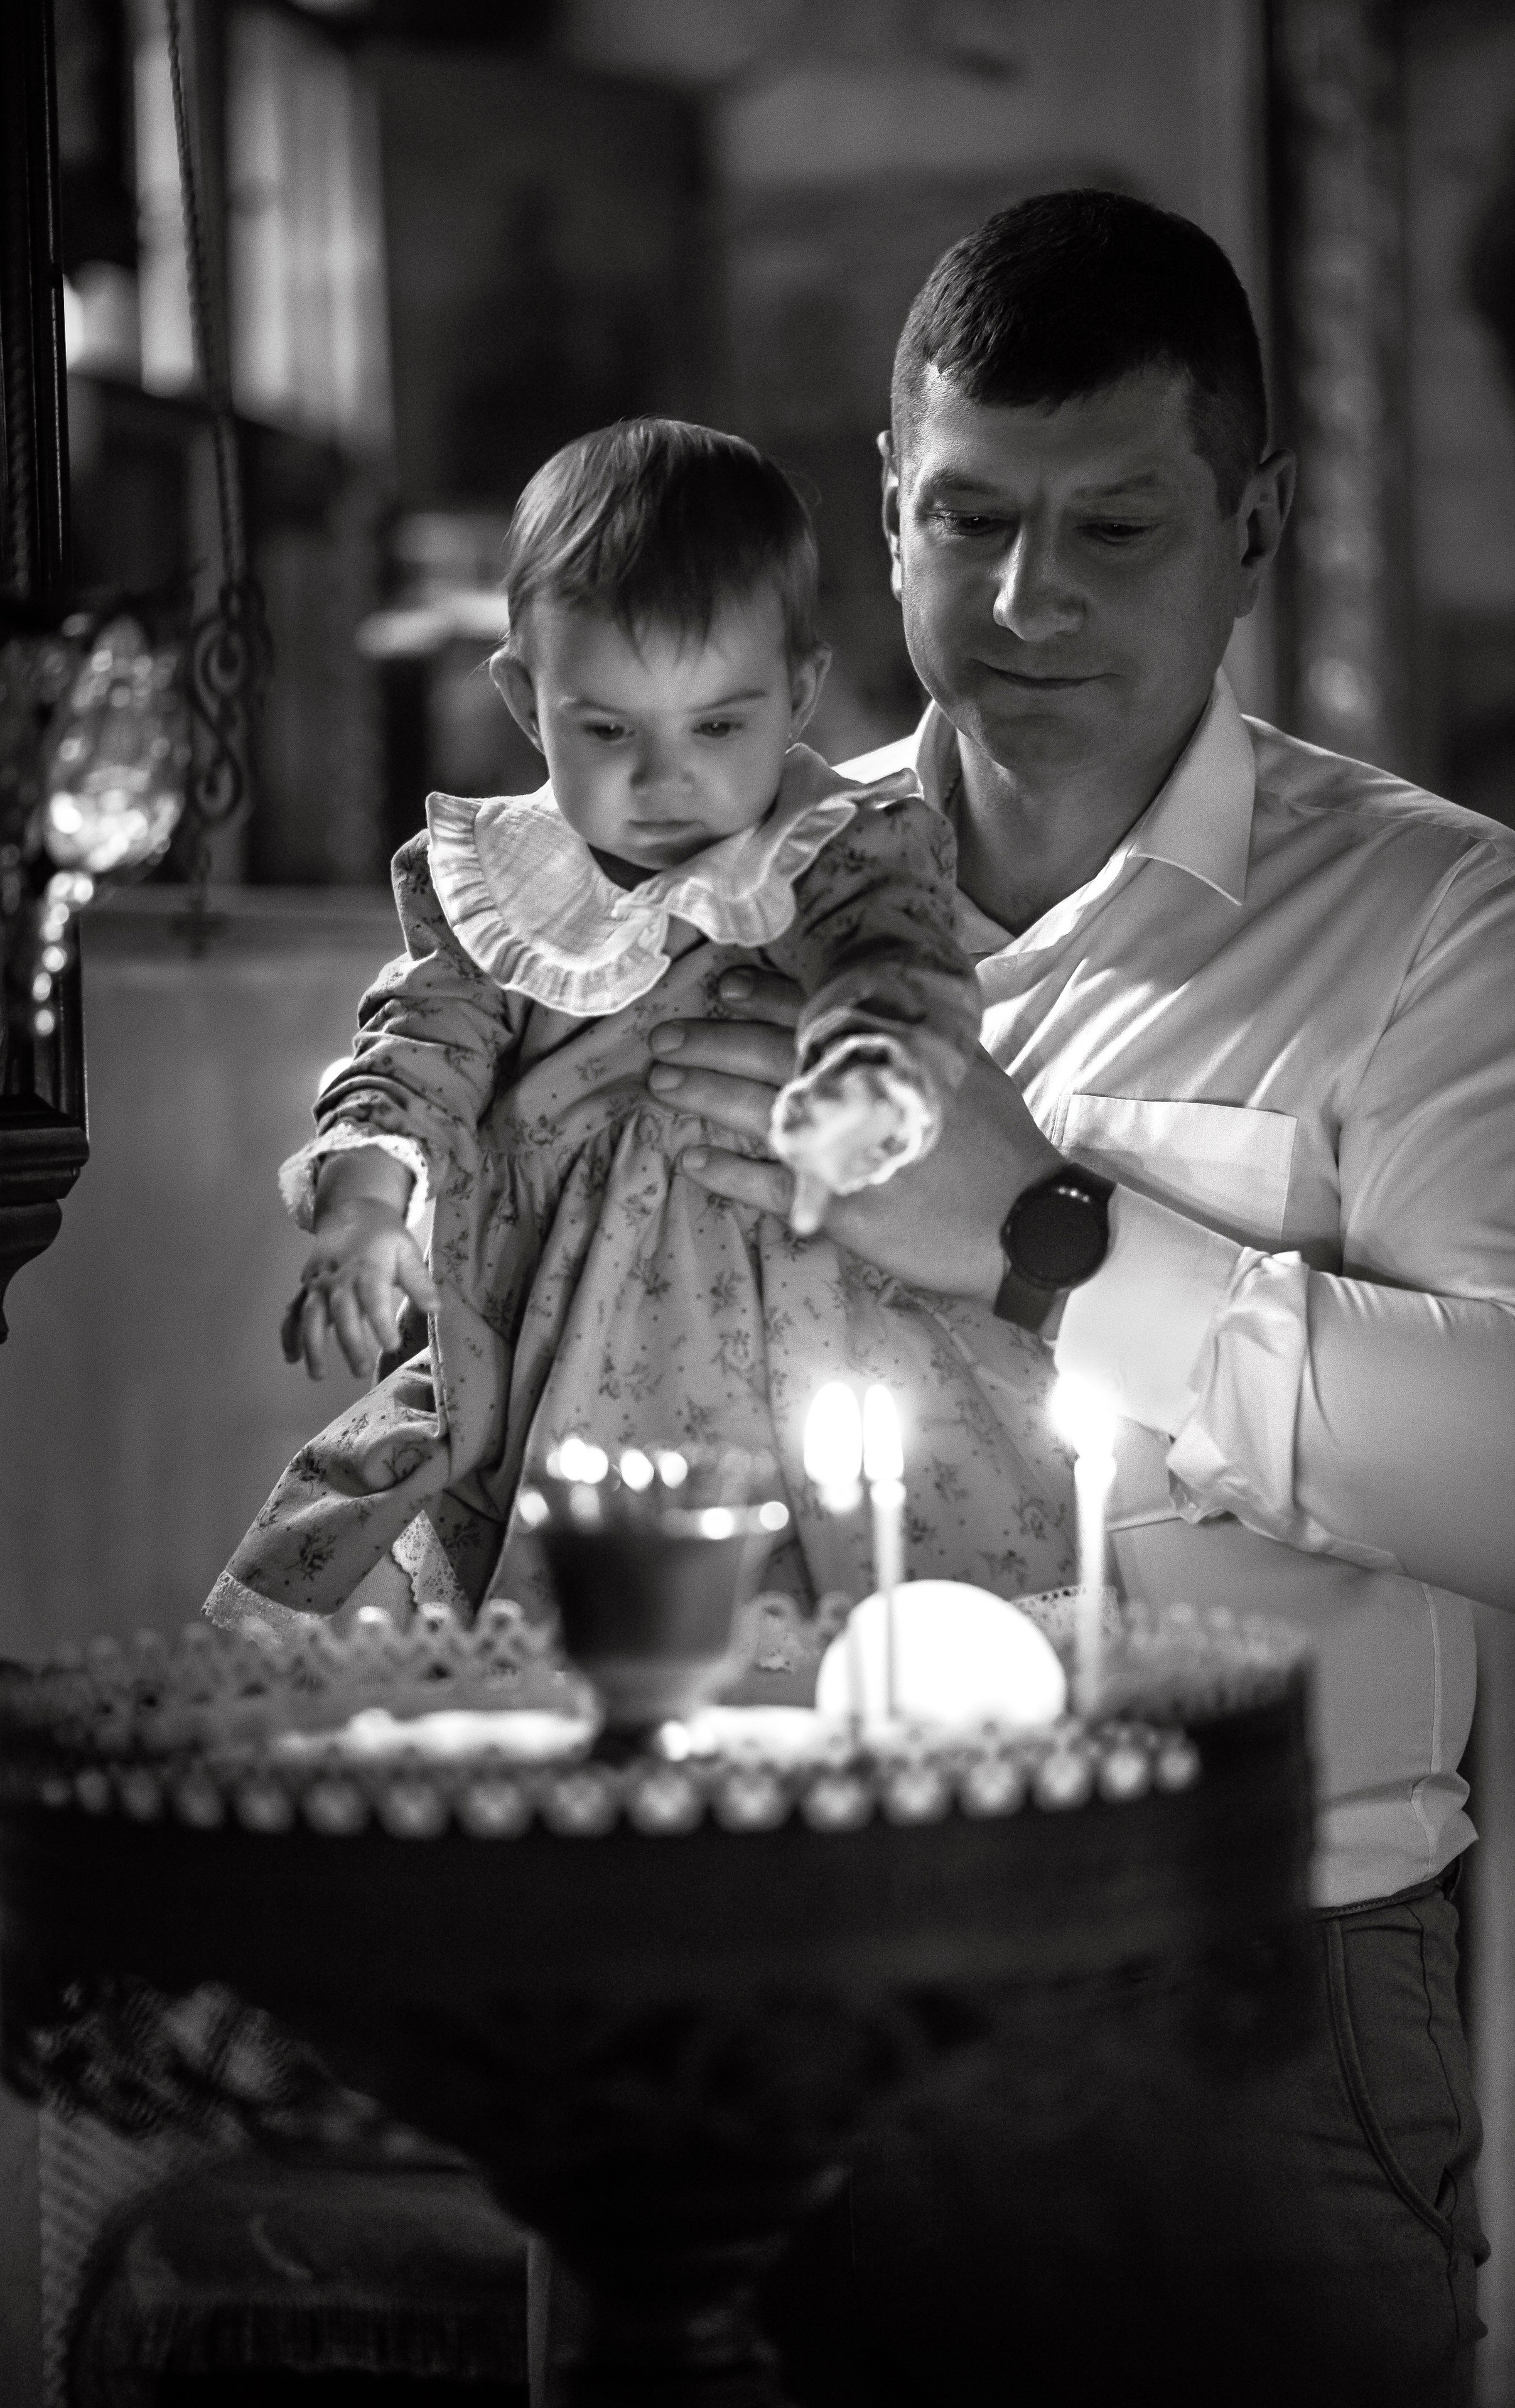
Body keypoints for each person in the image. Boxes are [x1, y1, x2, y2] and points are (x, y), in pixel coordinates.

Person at [644, 192, 1514, 2405]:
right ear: (886, 507)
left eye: (1115, 525)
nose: (1026, 601)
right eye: (970, 518)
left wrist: (1048, 1231)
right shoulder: (737, 897)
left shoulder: (1435, 922)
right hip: (791, 1949)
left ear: (1256, 524)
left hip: (1253, 1977)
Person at [205, 418, 1079, 1634]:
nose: (664, 782)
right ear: (525, 697)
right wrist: (360, 1211)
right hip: (559, 1327)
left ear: (798, 695)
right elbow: (414, 1049)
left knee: (848, 1610)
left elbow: (896, 963)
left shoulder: (838, 849)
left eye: (717, 727)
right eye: (608, 731)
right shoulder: (500, 891)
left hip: (809, 1308)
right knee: (551, 1621)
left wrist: (865, 1071)